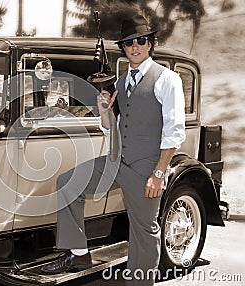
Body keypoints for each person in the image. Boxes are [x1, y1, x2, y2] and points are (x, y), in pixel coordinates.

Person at [41, 14, 186, 286]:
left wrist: (159, 173)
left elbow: (174, 132)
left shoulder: (167, 80)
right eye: (129, 42)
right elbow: (112, 128)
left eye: (141, 41)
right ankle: (80, 254)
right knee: (68, 183)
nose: (135, 46)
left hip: (145, 168)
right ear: (124, 47)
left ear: (150, 44)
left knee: (144, 231)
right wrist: (105, 111)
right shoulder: (120, 83)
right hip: (115, 161)